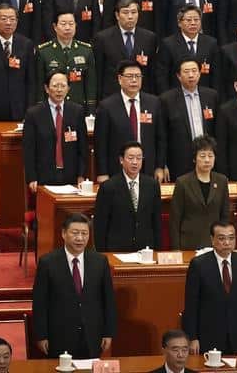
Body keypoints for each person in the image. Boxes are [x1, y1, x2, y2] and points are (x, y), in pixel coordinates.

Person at [32, 213, 116, 358]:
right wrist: (41, 335)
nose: (80, 238)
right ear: (64, 233)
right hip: (59, 336)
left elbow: (108, 300)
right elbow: (40, 303)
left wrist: (108, 332)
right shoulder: (47, 263)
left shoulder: (100, 262)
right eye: (75, 233)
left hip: (92, 334)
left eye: (84, 233)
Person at [183, 220, 237, 354]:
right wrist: (192, 338)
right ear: (212, 239)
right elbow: (191, 305)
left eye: (231, 238)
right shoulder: (198, 265)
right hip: (208, 336)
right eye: (221, 238)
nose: (227, 243)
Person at [94, 60, 165, 182]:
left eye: (138, 76)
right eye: (129, 76)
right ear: (119, 79)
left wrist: (160, 166)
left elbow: (161, 138)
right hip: (117, 168)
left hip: (147, 167)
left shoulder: (154, 103)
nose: (134, 80)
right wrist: (102, 172)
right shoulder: (106, 106)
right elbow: (101, 143)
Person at [24, 70, 88, 191]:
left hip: (71, 175)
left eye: (63, 86)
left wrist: (81, 174)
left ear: (68, 88)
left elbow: (82, 147)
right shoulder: (34, 114)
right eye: (55, 86)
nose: (59, 90)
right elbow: (29, 149)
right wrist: (31, 177)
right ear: (47, 88)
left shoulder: (77, 111)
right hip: (44, 175)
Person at [94, 141, 161, 252]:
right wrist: (103, 253)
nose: (135, 162)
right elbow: (100, 224)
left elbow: (156, 221)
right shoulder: (108, 187)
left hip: (146, 249)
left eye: (139, 158)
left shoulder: (152, 185)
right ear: (121, 160)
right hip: (117, 248)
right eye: (130, 158)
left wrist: (157, 250)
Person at [160, 54, 219, 176]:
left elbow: (217, 129)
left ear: (199, 74)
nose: (191, 75)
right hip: (179, 160)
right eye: (186, 72)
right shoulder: (167, 99)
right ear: (178, 76)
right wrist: (163, 164)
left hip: (207, 158)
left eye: (194, 71)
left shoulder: (212, 96)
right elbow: (162, 135)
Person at [169, 135, 228, 249]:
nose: (207, 160)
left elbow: (224, 216)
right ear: (194, 158)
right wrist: (176, 249)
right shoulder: (182, 182)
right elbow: (175, 220)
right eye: (202, 156)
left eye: (210, 156)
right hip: (189, 244)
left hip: (215, 244)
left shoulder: (222, 181)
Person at [35, 12, 96, 113]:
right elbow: (39, 83)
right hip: (51, 108)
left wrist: (91, 108)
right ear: (55, 27)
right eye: (63, 24)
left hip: (78, 107)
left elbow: (91, 83)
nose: (67, 28)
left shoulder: (86, 50)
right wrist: (40, 107)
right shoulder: (43, 51)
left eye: (71, 24)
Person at [155, 4, 218, 94]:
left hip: (204, 94)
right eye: (188, 20)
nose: (193, 23)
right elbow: (162, 75)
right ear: (179, 23)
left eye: (196, 20)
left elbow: (216, 75)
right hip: (176, 95)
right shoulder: (168, 44)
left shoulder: (211, 43)